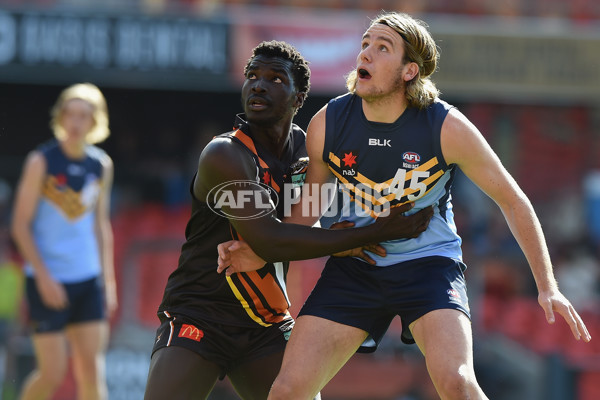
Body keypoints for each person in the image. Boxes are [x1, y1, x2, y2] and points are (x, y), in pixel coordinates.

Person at [217, 12, 592, 400]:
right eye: (365, 44)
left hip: (429, 267)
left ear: (409, 71)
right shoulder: (328, 122)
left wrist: (548, 287)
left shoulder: (446, 126)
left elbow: (513, 201)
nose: (366, 54)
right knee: (287, 391)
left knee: (459, 383)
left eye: (382, 48)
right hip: (355, 267)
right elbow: (308, 209)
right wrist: (261, 250)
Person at [143, 40, 433, 400]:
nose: (259, 84)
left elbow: (304, 222)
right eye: (252, 75)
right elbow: (270, 239)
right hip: (199, 315)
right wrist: (368, 234)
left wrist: (350, 232)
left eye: (276, 78)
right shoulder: (225, 155)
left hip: (265, 322)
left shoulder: (308, 152)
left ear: (299, 98)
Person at [11, 83, 117, 400]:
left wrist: (107, 282)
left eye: (84, 115)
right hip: (48, 280)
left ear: (95, 121)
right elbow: (19, 225)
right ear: (60, 117)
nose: (75, 122)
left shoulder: (101, 165)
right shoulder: (41, 161)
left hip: (88, 279)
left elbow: (100, 225)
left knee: (91, 372)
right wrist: (43, 277)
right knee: (52, 374)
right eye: (70, 113)